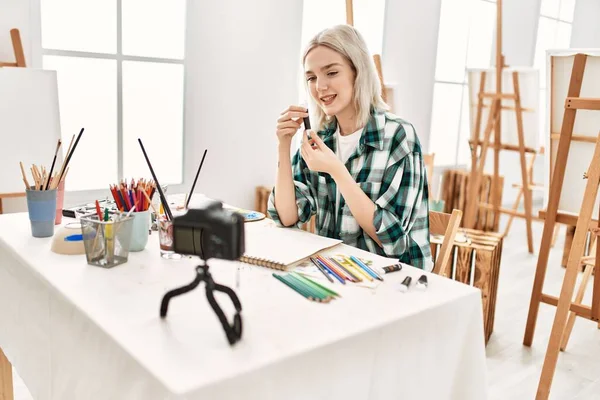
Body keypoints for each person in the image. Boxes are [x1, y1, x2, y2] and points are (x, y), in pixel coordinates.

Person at [267, 25, 432, 270]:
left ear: (359, 72)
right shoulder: (322, 137)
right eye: (311, 77)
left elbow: (394, 241)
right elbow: (287, 217)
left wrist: (337, 171)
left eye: (331, 73)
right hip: (337, 273)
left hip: (393, 280)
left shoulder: (398, 136)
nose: (320, 86)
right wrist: (283, 145)